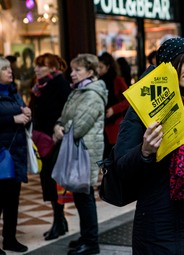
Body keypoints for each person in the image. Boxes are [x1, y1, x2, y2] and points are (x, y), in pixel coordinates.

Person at [114, 37, 184, 255]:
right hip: (157, 220)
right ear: (168, 65)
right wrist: (144, 151)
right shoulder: (143, 106)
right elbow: (121, 168)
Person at [53, 53, 107, 255]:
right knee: (81, 197)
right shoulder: (80, 91)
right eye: (72, 70)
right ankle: (86, 237)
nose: (72, 74)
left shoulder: (92, 94)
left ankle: (91, 242)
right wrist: (59, 124)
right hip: (77, 150)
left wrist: (62, 129)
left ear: (91, 71)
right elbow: (66, 116)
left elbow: (79, 125)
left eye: (77, 70)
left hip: (85, 152)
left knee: (85, 198)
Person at [30, 53, 72, 241]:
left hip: (56, 140)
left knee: (55, 182)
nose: (37, 69)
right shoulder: (38, 86)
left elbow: (66, 111)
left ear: (53, 68)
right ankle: (59, 220)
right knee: (47, 182)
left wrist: (58, 128)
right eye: (36, 66)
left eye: (41, 66)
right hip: (41, 140)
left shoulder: (60, 84)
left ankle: (59, 221)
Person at [0, 57, 31, 254]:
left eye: (10, 69)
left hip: (15, 153)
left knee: (12, 200)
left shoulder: (14, 92)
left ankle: (10, 239)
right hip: (1, 154)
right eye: (5, 69)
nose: (10, 72)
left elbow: (23, 116)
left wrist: (27, 113)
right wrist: (13, 118)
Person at [98, 52, 129, 158]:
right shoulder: (96, 81)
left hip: (114, 123)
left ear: (108, 66)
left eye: (101, 67)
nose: (98, 70)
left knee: (113, 154)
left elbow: (128, 100)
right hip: (100, 122)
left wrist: (113, 109)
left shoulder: (117, 80)